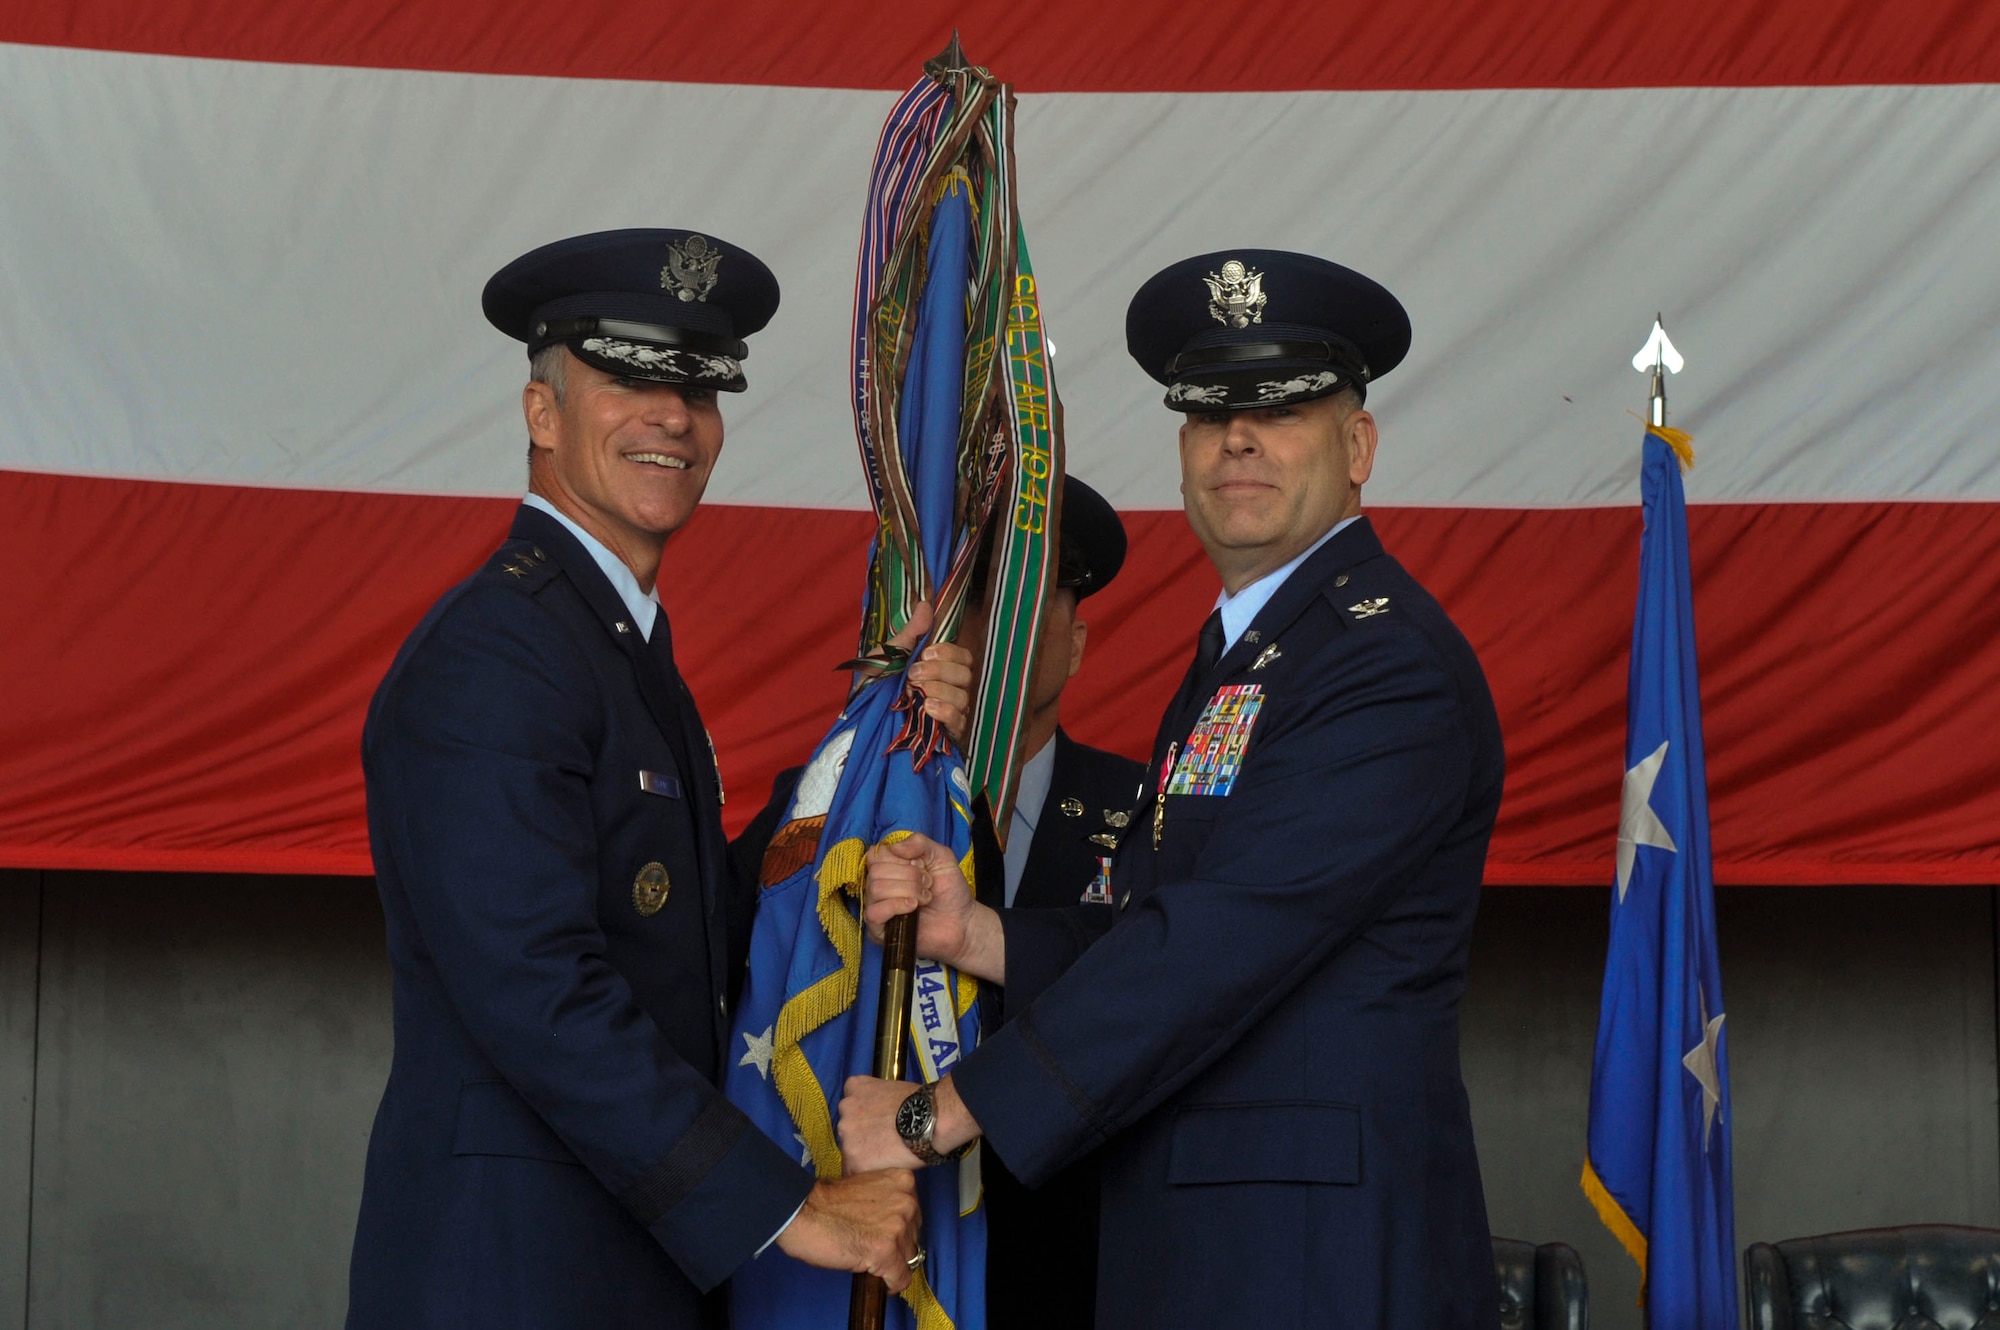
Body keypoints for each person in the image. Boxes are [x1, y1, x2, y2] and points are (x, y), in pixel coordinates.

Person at [837, 250, 1506, 1329]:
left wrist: (940, 1110)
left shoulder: (1385, 668)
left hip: (1311, 1262)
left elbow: (1214, 941)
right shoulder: (1246, 656)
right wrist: (983, 938)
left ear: (1359, 446)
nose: (1237, 437)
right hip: (1214, 1244)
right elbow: (1152, 915)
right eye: (1207, 411)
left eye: (1282, 408)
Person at [347, 229, 963, 1328]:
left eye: (697, 387)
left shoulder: (615, 648)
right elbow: (540, 991)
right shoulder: (496, 654)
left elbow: (695, 930)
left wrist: (871, 735)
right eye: (627, 378)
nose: (671, 416)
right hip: (511, 1271)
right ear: (542, 414)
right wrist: (794, 1210)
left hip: (625, 1262)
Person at [731, 475, 1146, 1327]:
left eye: (1030, 604)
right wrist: (893, 760)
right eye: (974, 603)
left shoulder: (1145, 815)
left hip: (1068, 1285)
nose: (993, 637)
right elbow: (742, 950)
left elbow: (1154, 1007)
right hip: (855, 1276)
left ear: (1077, 644)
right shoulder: (836, 796)